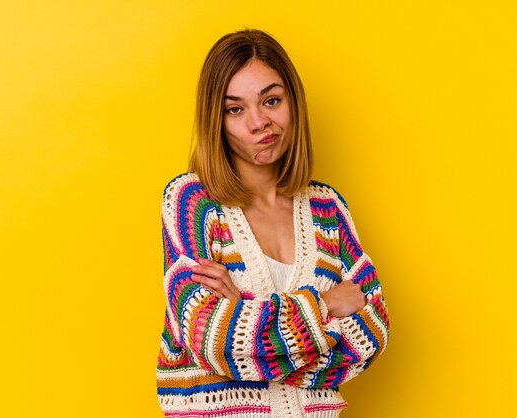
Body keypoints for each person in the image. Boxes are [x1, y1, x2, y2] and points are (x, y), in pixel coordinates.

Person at [156, 29, 389, 417]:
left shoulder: (328, 208)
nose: (259, 122)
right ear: (215, 119)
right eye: (235, 109)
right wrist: (327, 305)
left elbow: (372, 334)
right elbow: (211, 338)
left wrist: (246, 316)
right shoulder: (191, 203)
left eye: (271, 100)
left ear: (292, 102)